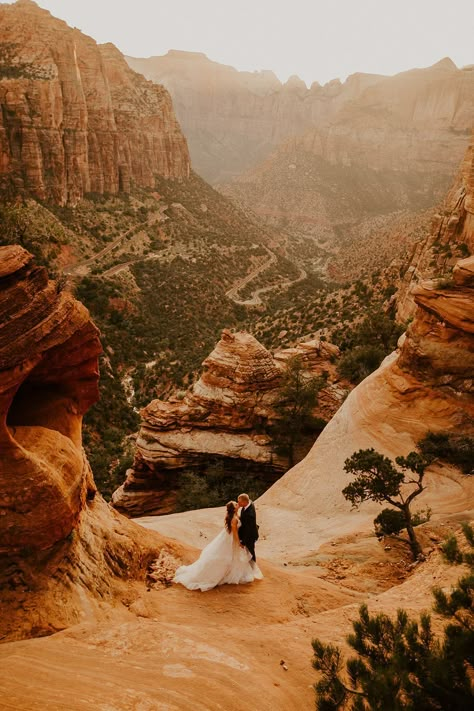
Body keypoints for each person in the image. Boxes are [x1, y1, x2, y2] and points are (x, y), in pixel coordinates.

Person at [173, 500, 263, 592]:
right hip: (230, 540)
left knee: (231, 557)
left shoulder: (236, 515)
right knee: (226, 557)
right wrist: (239, 543)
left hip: (229, 538)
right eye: (236, 504)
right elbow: (235, 534)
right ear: (233, 509)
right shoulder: (234, 519)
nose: (237, 504)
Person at [237, 493, 259, 562]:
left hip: (250, 536)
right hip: (248, 533)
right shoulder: (249, 503)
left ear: (244, 502)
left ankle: (253, 568)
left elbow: (248, 530)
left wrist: (243, 542)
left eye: (239, 502)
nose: (238, 503)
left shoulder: (249, 514)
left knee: (250, 553)